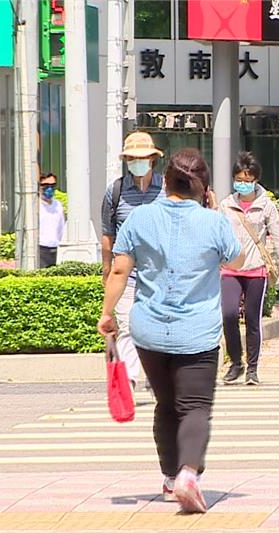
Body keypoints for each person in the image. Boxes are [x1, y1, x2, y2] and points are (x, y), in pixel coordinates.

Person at [97, 148, 244, 513]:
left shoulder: (140, 218)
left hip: (150, 330)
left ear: (165, 180)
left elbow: (119, 270)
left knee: (165, 404)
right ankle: (188, 474)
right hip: (197, 331)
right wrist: (212, 212)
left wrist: (107, 313)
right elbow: (237, 259)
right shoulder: (213, 222)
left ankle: (168, 477)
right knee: (195, 406)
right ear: (204, 187)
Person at [218, 152, 279, 386]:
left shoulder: (266, 206)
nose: (242, 182)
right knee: (228, 314)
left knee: (253, 319)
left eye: (247, 179)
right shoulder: (226, 205)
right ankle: (235, 363)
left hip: (256, 270)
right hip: (230, 269)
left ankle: (252, 368)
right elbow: (217, 237)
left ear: (255, 180)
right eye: (238, 178)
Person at [100, 132, 166, 390]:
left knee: (156, 325)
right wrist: (107, 272)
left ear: (152, 159)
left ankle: (155, 374)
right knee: (127, 324)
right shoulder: (115, 192)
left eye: (142, 158)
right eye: (132, 158)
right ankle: (129, 377)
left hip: (161, 275)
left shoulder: (167, 189)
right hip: (126, 275)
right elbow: (108, 235)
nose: (138, 163)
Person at [37, 173, 65, 268]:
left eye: (52, 186)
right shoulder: (36, 206)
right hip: (41, 248)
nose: (49, 189)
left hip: (56, 248)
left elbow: (61, 227)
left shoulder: (58, 205)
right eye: (45, 186)